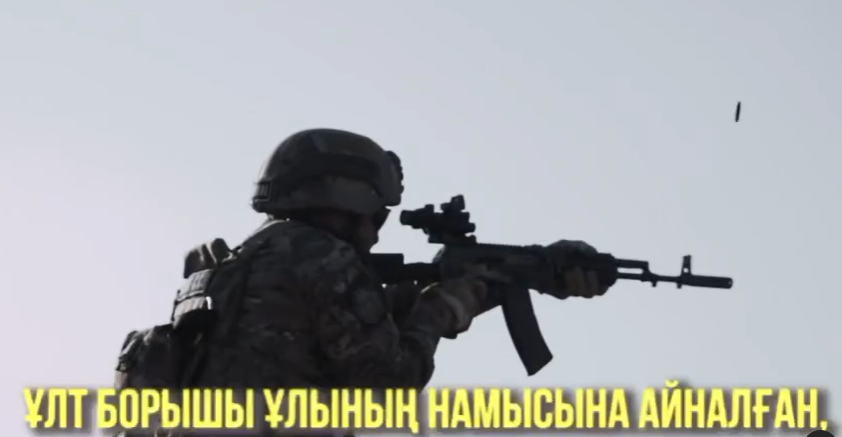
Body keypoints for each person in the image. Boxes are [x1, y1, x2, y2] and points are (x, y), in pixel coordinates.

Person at [113, 128, 614, 435]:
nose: (374, 233)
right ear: (346, 198)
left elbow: (314, 338)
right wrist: (441, 310)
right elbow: (388, 384)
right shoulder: (322, 257)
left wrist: (481, 287)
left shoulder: (236, 263)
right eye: (376, 215)